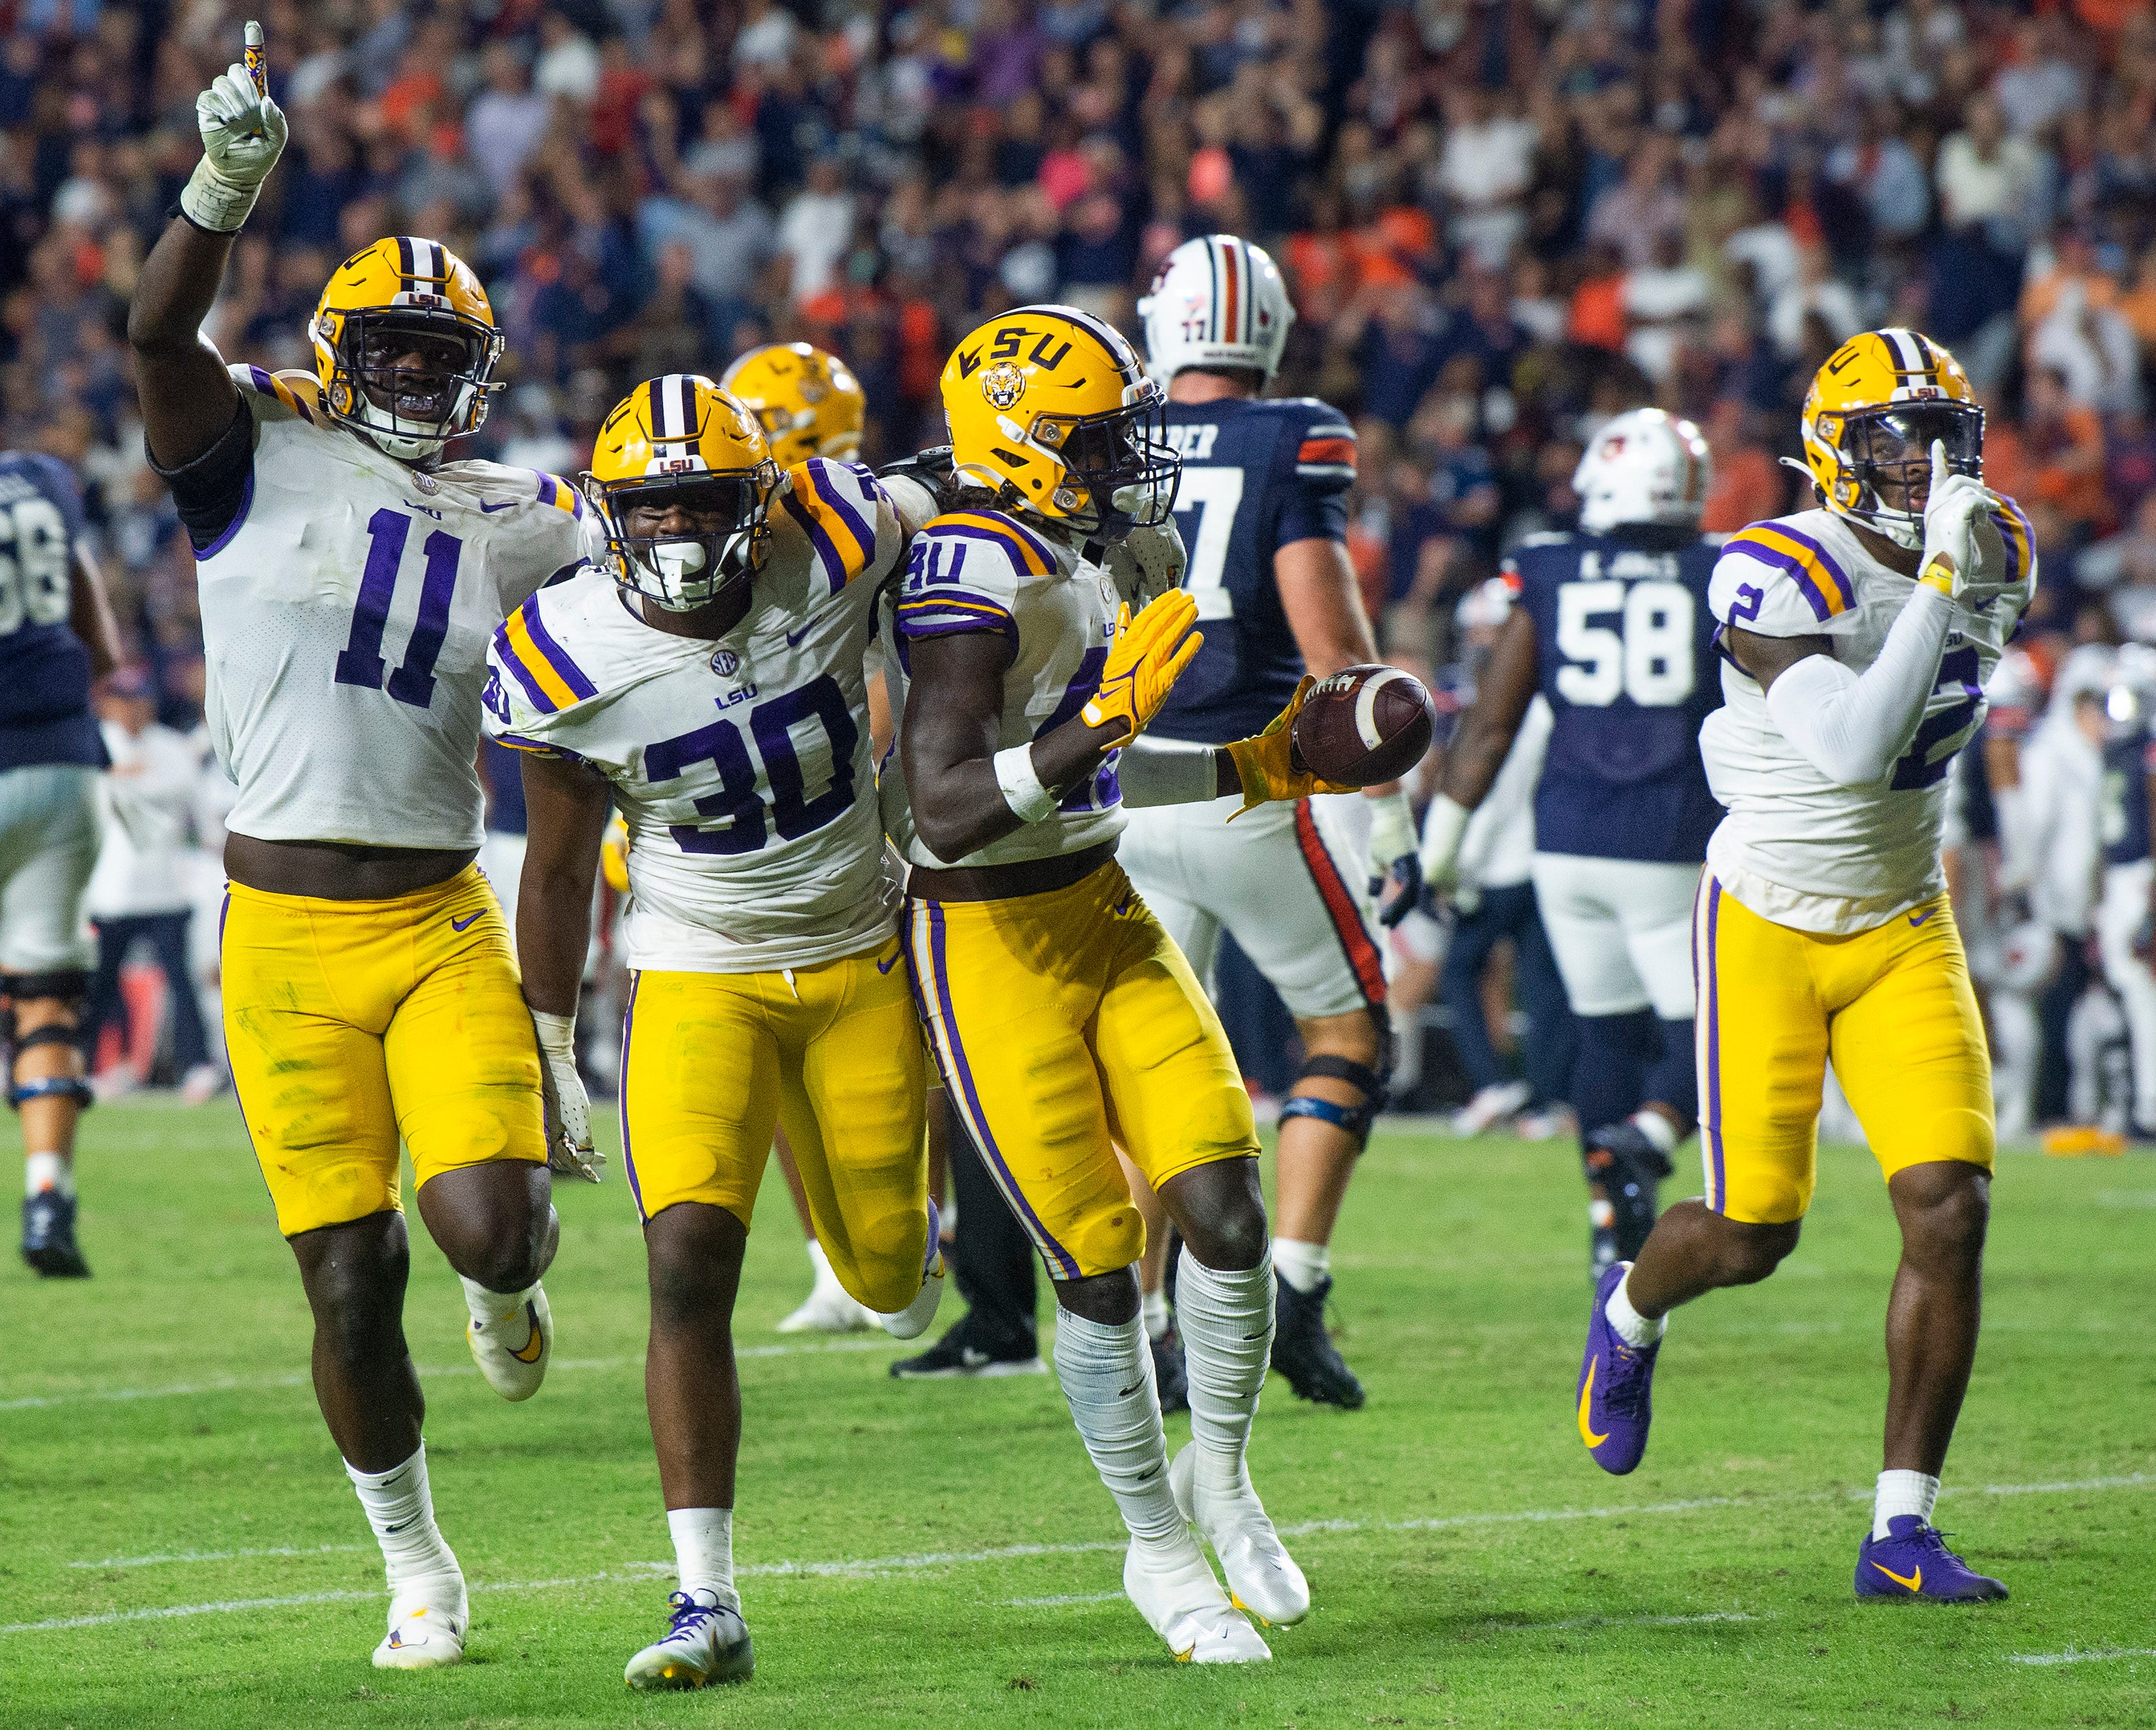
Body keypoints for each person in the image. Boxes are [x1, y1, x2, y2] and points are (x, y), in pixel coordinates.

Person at [125, 33, 596, 1669]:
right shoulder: (247, 457)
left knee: (493, 1229)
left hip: (437, 918)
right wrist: (222, 190)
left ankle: (512, 1283)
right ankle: (418, 1567)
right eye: (389, 350)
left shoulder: (527, 509)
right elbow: (154, 329)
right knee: (344, 1288)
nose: (410, 377)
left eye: (435, 354)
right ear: (341, 350)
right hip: (278, 940)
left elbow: (687, 535)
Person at [885, 303, 1356, 1662]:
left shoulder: (1106, 546)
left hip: (1104, 902)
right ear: (1021, 442)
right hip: (985, 938)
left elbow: (1093, 773)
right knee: (1095, 1266)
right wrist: (1098, 721)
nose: (1124, 458)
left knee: (1223, 1199)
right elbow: (949, 805)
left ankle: (1227, 1471)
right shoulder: (964, 569)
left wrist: (1251, 767)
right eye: (1097, 437)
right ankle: (1158, 1547)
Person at [490, 374, 943, 1691]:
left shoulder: (840, 535)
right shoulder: (562, 646)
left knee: (892, 1281)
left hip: (859, 954)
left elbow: (960, 481)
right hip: (695, 971)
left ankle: (856, 1194)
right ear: (608, 514)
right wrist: (550, 1038)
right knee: (686, 1260)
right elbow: (560, 870)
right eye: (652, 504)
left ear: (763, 497)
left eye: (703, 498)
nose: (680, 526)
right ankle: (706, 1596)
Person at [1575, 329, 2034, 1602]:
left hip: (1900, 916)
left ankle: (1901, 1531)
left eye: (1942, 437)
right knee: (1748, 1234)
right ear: (1837, 448)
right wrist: (1941, 571)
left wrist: (1950, 566)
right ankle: (1629, 1312)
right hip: (1768, 917)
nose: (1923, 462)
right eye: (1896, 435)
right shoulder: (1779, 563)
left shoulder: (2001, 549)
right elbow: (1852, 742)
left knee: (1952, 1202)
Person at [1111, 235, 1418, 1410]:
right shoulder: (1295, 432)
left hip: (1122, 786)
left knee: (1147, 1062)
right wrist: (1385, 810)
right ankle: (1293, 1282)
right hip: (1244, 783)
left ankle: (1142, 1321)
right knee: (1347, 1033)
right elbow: (1335, 650)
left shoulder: (1113, 426)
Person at [1425, 408, 1723, 1273]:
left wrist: (1438, 848)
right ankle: (1650, 1138)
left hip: (1566, 840)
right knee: (1707, 1036)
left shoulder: (1550, 568)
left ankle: (1610, 1224)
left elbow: (1488, 728)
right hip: (1671, 835)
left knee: (1605, 1032)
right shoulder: (1717, 570)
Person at [715, 338, 887, 1337]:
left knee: (902, 1051)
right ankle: (836, 1257)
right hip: (766, 806)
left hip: (857, 814)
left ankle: (916, 1238)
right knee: (774, 1051)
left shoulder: (866, 533)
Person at [0, 445, 121, 1275]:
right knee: (46, 994)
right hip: (65, 761)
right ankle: (49, 1199)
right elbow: (103, 647)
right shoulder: (40, 478)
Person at [83, 666, 220, 1103]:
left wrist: (123, 780)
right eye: (123, 699)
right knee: (100, 984)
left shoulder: (171, 747)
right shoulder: (93, 742)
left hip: (164, 886)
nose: (131, 708)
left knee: (179, 980)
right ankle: (91, 1066)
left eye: (138, 698)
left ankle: (196, 1066)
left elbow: (192, 799)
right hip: (110, 889)